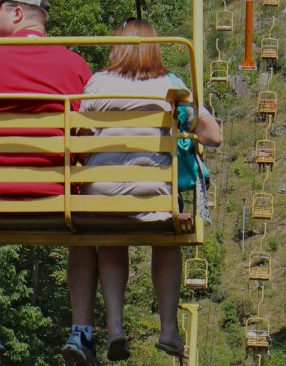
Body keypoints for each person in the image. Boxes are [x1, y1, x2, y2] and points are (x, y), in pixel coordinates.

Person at [0, 0, 93, 366]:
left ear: (16, 12)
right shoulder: (75, 65)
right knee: (85, 236)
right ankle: (82, 331)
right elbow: (86, 131)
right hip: (56, 200)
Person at [71, 19, 222, 362]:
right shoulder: (171, 86)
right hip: (154, 196)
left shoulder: (96, 84)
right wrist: (188, 123)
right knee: (166, 239)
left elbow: (78, 144)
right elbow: (214, 136)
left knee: (112, 239)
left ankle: (115, 328)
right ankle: (168, 328)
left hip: (101, 199)